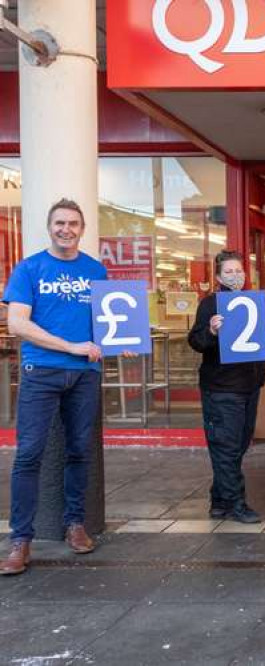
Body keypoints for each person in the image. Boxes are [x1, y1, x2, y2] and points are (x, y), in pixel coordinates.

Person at [1, 199, 109, 576]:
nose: (67, 229)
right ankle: (21, 540)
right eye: (60, 222)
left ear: (83, 228)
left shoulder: (96, 271)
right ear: (50, 227)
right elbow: (17, 324)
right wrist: (71, 347)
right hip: (41, 372)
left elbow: (107, 322)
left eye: (74, 223)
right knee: (29, 454)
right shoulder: (30, 268)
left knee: (79, 450)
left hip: (85, 375)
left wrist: (119, 338)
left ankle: (75, 524)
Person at [188, 250, 265, 524]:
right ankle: (236, 503)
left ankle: (219, 499)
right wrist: (211, 330)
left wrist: (260, 378)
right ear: (219, 276)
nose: (236, 275)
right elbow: (196, 341)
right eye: (229, 272)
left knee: (239, 444)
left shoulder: (252, 302)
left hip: (249, 386)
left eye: (239, 271)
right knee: (227, 447)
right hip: (222, 388)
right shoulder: (211, 304)